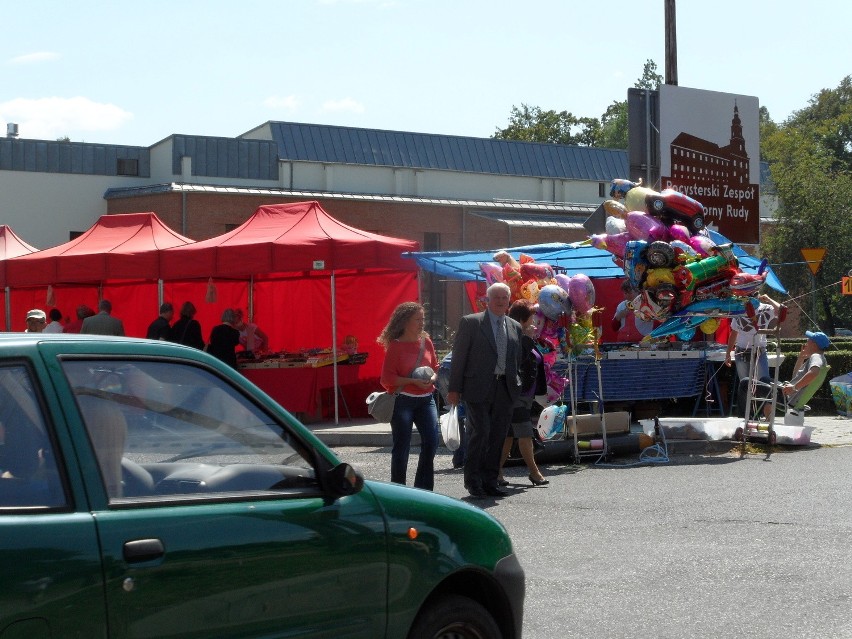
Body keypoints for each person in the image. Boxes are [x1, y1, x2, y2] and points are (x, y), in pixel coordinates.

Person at [447, 282, 523, 499]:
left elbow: (516, 360)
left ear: (509, 301)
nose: (500, 301)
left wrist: (517, 383)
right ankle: (473, 481)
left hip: (505, 389)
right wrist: (454, 389)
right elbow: (459, 358)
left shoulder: (514, 326)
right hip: (477, 388)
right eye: (496, 297)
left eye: (504, 297)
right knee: (481, 432)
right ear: (487, 300)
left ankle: (490, 480)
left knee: (498, 436)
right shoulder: (471, 323)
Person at [377, 302, 439, 490]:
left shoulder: (426, 342)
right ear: (405, 322)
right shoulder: (396, 346)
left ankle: (424, 490)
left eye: (423, 319)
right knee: (402, 447)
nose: (421, 323)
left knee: (431, 442)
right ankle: (399, 489)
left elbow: (436, 368)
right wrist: (413, 382)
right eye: (417, 320)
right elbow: (387, 378)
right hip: (403, 400)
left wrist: (432, 379)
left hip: (426, 399)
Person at [498, 299, 548, 487]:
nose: (534, 320)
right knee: (525, 433)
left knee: (509, 436)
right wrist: (527, 338)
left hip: (526, 394)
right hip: (516, 394)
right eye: (531, 316)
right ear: (522, 318)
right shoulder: (513, 336)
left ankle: (496, 472)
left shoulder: (526, 336)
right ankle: (534, 473)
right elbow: (517, 360)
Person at [724, 293, 782, 416]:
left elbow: (781, 310)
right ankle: (747, 416)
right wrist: (728, 352)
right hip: (741, 352)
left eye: (754, 294)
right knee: (745, 386)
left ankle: (767, 419)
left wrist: (769, 299)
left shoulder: (765, 308)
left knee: (765, 385)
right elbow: (734, 333)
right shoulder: (740, 310)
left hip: (759, 352)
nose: (751, 297)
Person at [779, 330, 830, 407]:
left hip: (788, 397)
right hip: (791, 397)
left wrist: (793, 387)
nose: (806, 343)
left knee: (762, 383)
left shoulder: (816, 356)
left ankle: (761, 417)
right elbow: (796, 377)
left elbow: (814, 373)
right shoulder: (821, 358)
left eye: (808, 340)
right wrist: (801, 358)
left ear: (814, 344)